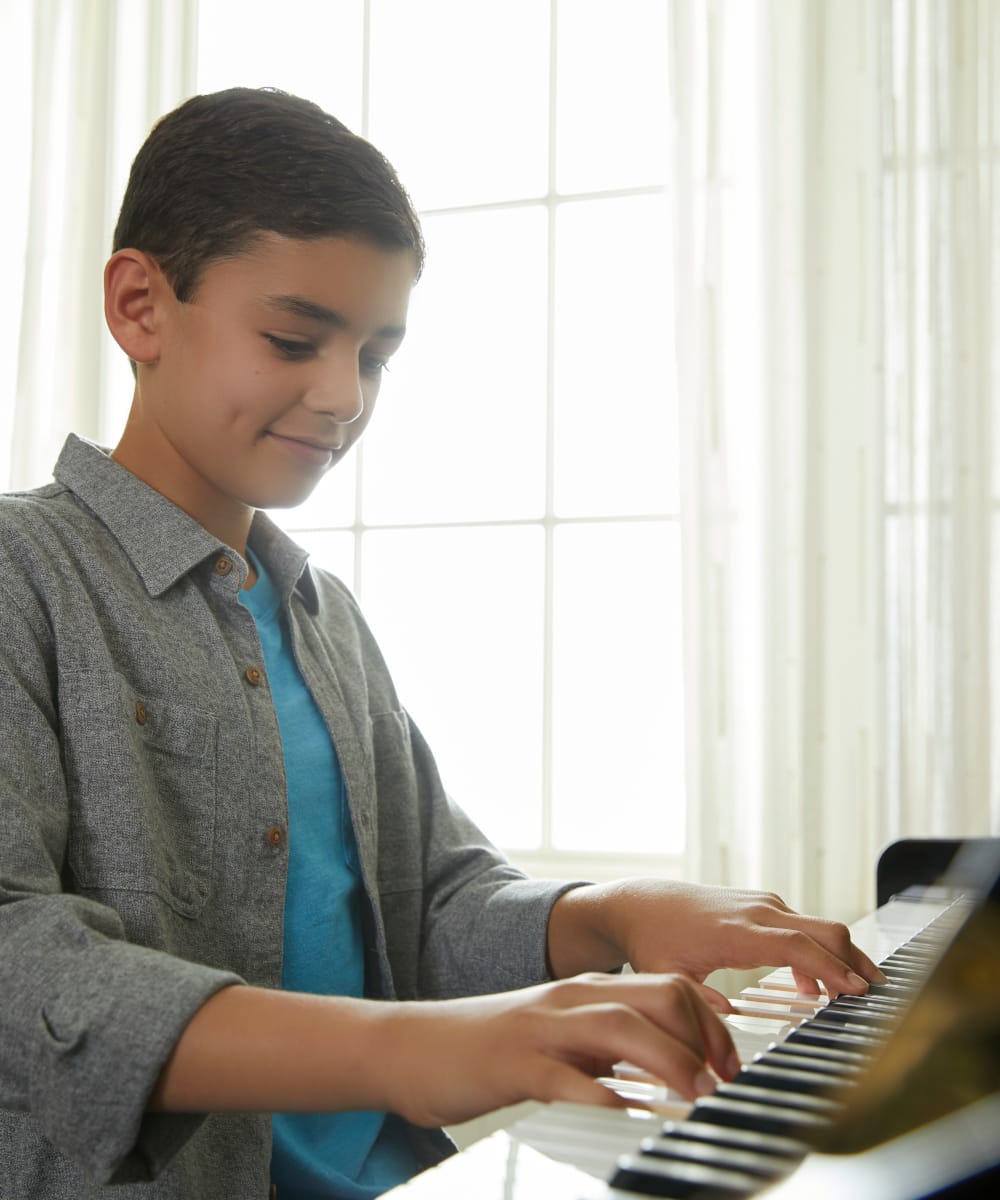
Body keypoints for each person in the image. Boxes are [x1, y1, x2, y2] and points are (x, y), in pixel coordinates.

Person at [0, 88, 883, 1200]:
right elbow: (18, 960)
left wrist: (607, 914)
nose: (341, 395)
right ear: (139, 304)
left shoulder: (324, 619)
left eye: (376, 353)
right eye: (293, 338)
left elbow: (430, 904)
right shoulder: (22, 577)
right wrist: (410, 1050)